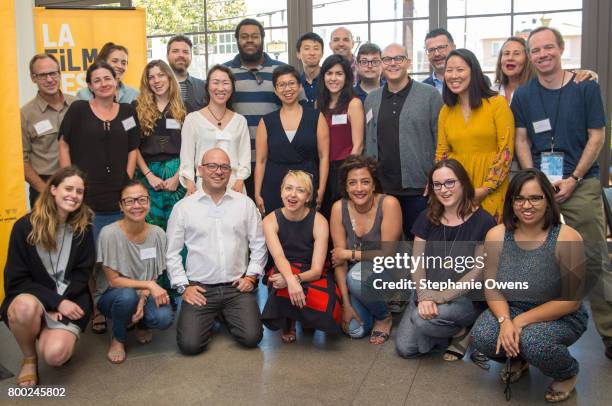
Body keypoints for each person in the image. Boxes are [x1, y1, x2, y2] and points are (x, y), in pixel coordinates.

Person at [511, 26, 612, 358]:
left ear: (560, 48)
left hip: (580, 185)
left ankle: (609, 333)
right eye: (536, 50)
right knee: (538, 261)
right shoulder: (524, 95)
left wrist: (575, 178)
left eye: (548, 48)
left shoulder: (585, 86)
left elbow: (597, 136)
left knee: (594, 258)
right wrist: (535, 181)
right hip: (540, 190)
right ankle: (535, 330)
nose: (542, 55)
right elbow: (522, 139)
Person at [471, 169, 588, 403]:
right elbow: (491, 286)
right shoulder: (496, 235)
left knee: (534, 341)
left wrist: (519, 322)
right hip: (512, 307)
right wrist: (505, 321)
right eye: (520, 198)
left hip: (560, 314)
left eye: (535, 198)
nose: (527, 205)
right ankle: (518, 359)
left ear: (548, 199)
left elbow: (571, 300)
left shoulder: (567, 237)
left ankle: (567, 373)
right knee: (482, 336)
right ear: (511, 202)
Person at [59, 61, 140, 334]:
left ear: (117, 80)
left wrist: (127, 180)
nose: (104, 83)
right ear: (90, 85)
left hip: (119, 197)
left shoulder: (128, 112)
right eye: (97, 80)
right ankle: (96, 309)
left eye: (109, 77)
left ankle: (119, 304)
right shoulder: (79, 110)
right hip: (86, 197)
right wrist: (70, 182)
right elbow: (64, 143)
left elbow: (133, 147)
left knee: (118, 254)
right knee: (92, 257)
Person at [166, 148, 267, 355]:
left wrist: (251, 276)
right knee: (190, 346)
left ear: (230, 172)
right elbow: (172, 253)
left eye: (224, 167)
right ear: (200, 170)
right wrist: (183, 287)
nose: (218, 171)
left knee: (252, 338)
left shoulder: (244, 204)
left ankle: (223, 315)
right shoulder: (183, 208)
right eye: (211, 166)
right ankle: (214, 316)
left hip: (236, 288)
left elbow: (259, 243)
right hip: (200, 290)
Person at [1, 167, 95, 386]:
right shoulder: (24, 227)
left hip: (71, 299)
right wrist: (56, 302)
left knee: (55, 356)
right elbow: (17, 281)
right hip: (35, 300)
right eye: (68, 188)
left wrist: (64, 302)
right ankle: (29, 358)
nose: (74, 195)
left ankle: (45, 331)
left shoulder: (84, 228)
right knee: (24, 308)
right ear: (53, 189)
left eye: (79, 192)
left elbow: (83, 273)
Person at [395, 159, 496, 360]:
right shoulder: (427, 216)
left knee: (421, 321)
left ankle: (464, 329)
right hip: (428, 291)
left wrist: (439, 297)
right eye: (438, 185)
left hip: (465, 298)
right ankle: (452, 331)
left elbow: (477, 273)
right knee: (406, 348)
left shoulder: (484, 221)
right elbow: (417, 261)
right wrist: (424, 295)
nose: (444, 190)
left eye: (450, 182)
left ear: (464, 183)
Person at [364, 43, 443, 240]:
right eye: (387, 59)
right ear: (381, 64)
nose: (393, 64)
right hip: (383, 189)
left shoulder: (430, 95)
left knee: (419, 244)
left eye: (398, 58)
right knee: (389, 247)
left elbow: (441, 141)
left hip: (419, 189)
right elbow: (368, 140)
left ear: (408, 62)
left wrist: (436, 178)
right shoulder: (372, 99)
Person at [96, 180, 173, 364]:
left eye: (142, 200)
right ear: (121, 206)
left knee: (164, 317)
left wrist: (143, 297)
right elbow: (114, 281)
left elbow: (153, 274)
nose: (137, 205)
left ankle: (140, 323)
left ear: (149, 202)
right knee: (126, 297)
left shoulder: (158, 234)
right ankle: (118, 338)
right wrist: (147, 285)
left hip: (142, 294)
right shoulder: (109, 233)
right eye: (130, 201)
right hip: (113, 296)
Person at [261, 171, 342, 342]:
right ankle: (288, 322)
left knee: (329, 308)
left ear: (308, 197)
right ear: (281, 192)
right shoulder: (270, 220)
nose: (292, 194)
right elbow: (279, 257)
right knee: (278, 284)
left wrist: (294, 279)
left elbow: (317, 270)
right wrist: (289, 280)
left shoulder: (319, 221)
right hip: (284, 269)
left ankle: (304, 318)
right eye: (288, 188)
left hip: (311, 272)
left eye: (300, 190)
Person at [330, 155, 402, 344]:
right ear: (346, 187)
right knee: (355, 330)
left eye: (365, 182)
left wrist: (349, 254)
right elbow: (338, 260)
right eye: (352, 183)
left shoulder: (389, 204)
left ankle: (384, 316)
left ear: (373, 185)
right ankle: (363, 303)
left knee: (356, 276)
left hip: (389, 273)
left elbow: (388, 255)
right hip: (357, 279)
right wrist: (346, 304)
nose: (359, 188)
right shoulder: (338, 208)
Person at [436, 48, 514, 222]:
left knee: (491, 241)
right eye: (449, 70)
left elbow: (506, 151)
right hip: (456, 188)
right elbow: (441, 154)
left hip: (492, 186)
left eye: (460, 69)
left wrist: (485, 189)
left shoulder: (497, 104)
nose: (454, 75)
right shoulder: (445, 111)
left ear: (474, 72)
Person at [255, 65, 330, 215]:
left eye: (291, 83)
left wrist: (321, 188)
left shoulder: (316, 117)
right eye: (281, 85)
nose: (287, 89)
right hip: (274, 187)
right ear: (275, 90)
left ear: (300, 86)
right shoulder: (266, 121)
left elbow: (324, 157)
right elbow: (261, 161)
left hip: (307, 186)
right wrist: (257, 193)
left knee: (307, 232)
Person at [224, 18, 285, 197]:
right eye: (244, 36)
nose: (249, 40)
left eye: (254, 36)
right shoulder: (224, 72)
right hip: (235, 160)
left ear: (262, 38)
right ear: (237, 40)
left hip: (272, 158)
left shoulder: (280, 71)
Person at [179, 64, 251, 196]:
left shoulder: (240, 121)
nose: (220, 88)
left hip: (234, 186)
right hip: (202, 187)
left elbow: (245, 157)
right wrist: (189, 183)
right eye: (215, 82)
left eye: (225, 83)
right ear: (207, 87)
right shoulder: (192, 120)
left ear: (232, 87)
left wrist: (240, 180)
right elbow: (186, 157)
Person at [134, 59, 186, 230]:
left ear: (169, 77)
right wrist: (149, 175)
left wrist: (178, 177)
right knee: (149, 227)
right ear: (147, 82)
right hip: (146, 174)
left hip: (178, 175)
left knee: (179, 228)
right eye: (151, 77)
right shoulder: (135, 109)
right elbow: (132, 147)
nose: (156, 81)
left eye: (161, 75)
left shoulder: (186, 108)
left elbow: (192, 147)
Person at [22, 53, 76, 208]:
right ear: (33, 78)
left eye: (53, 73)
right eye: (42, 75)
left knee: (79, 231)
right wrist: (46, 191)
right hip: (44, 187)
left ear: (59, 74)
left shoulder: (77, 105)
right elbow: (22, 161)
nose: (50, 79)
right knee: (46, 232)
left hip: (76, 185)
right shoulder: (25, 114)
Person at [317, 54, 364, 217]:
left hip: (344, 167)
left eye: (339, 74)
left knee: (344, 215)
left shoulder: (354, 103)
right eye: (329, 73)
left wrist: (348, 174)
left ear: (347, 77)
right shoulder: (319, 104)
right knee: (325, 214)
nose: (333, 78)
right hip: (322, 167)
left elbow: (358, 144)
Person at [493, 36, 597, 104]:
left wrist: (589, 74)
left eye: (516, 54)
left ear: (528, 59)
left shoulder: (543, 87)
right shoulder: (492, 91)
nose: (510, 58)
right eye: (506, 53)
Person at [166, 34, 207, 112]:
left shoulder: (203, 87)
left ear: (191, 57)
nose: (181, 55)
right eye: (175, 51)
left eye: (185, 52)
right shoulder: (157, 87)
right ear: (167, 56)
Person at [423, 28, 456, 93]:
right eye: (431, 50)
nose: (436, 54)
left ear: (453, 48)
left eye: (441, 47)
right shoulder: (421, 90)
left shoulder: (474, 82)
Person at [296, 32, 324, 109]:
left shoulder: (330, 80)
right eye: (307, 48)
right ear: (298, 54)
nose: (312, 53)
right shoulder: (295, 83)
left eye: (316, 48)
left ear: (322, 53)